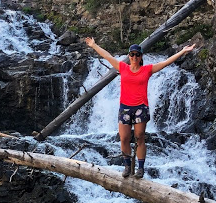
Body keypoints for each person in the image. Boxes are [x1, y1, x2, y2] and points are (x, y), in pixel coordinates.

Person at [84, 38, 196, 178]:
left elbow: (165, 62)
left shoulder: (147, 70)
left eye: (137, 54)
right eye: (132, 54)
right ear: (129, 56)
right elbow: (107, 56)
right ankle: (127, 166)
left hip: (140, 108)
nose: (134, 57)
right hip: (125, 108)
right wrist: (94, 45)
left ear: (141, 56)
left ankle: (141, 168)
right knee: (124, 138)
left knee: (139, 137)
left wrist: (182, 51)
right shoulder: (123, 68)